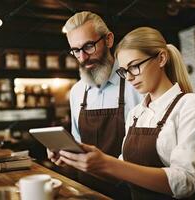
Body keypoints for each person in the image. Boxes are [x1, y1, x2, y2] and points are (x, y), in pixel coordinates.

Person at [53, 27, 195, 200]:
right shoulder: (136, 113)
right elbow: (122, 172)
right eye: (124, 71)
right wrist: (77, 158)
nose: (129, 78)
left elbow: (186, 182)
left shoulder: (190, 105)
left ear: (161, 58)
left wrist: (108, 163)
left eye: (134, 67)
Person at [47, 11, 142, 198]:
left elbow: (148, 151)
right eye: (75, 50)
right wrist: (66, 154)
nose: (82, 58)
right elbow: (78, 144)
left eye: (89, 46)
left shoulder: (136, 84)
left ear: (108, 39)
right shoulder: (76, 92)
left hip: (129, 191)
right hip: (86, 190)